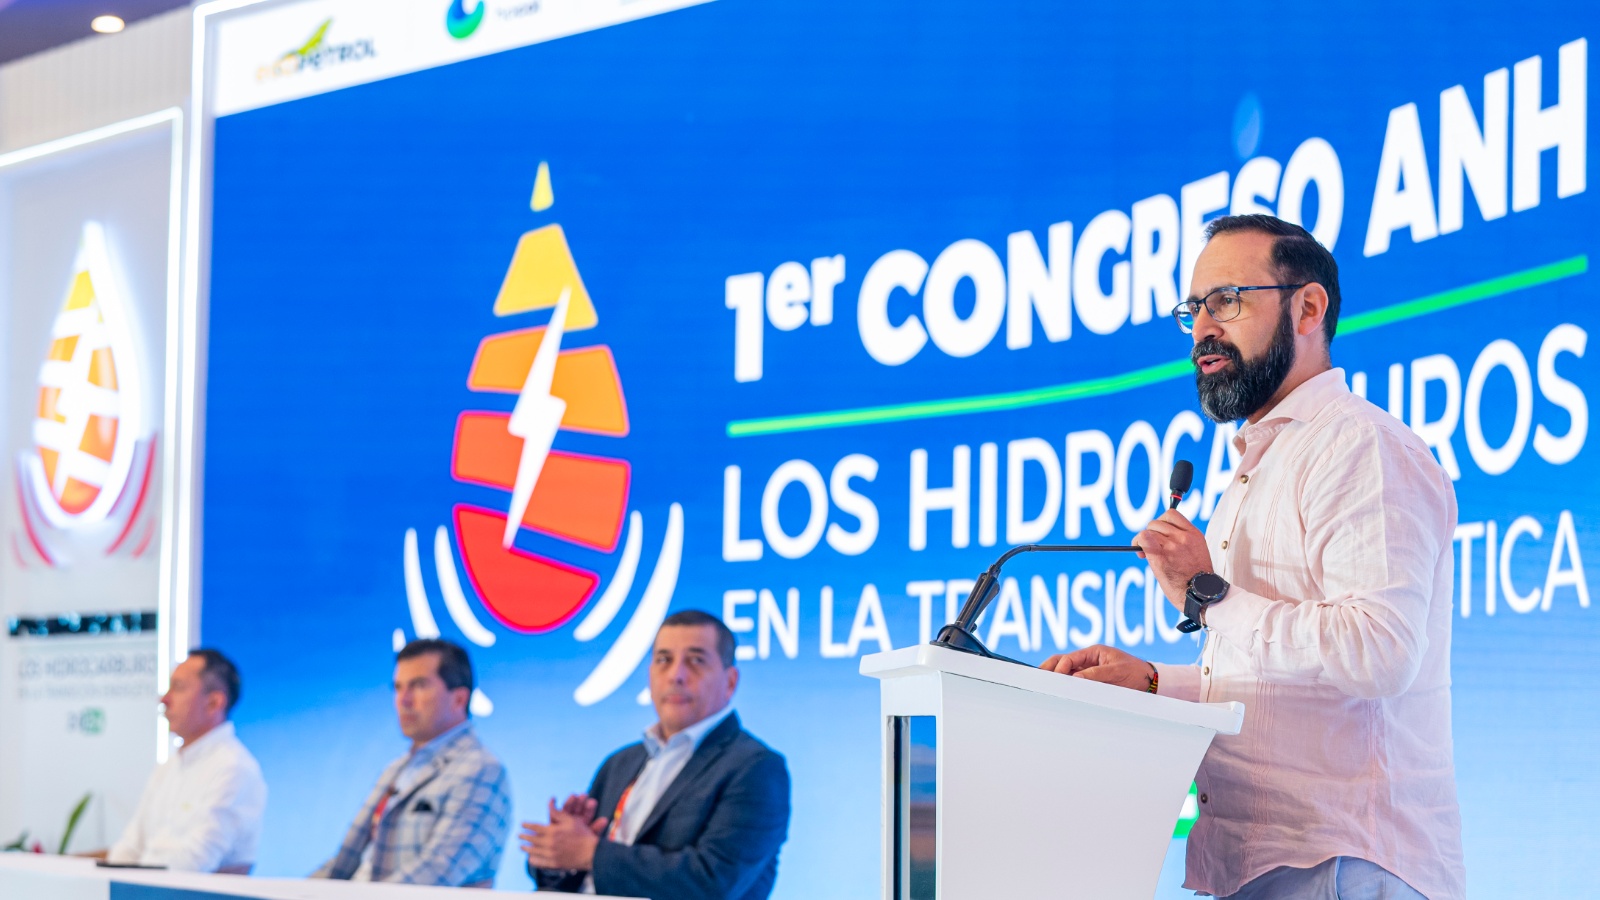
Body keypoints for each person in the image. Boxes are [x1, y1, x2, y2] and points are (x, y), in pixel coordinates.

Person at [1044, 215, 1464, 899]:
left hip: (1342, 864)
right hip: (1265, 868)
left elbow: (1379, 652)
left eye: (1227, 300)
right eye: (1194, 310)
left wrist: (1210, 594)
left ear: (1308, 307)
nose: (1204, 328)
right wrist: (1154, 683)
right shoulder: (1255, 471)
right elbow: (1277, 688)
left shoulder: (1360, 447)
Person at [521, 610, 790, 900]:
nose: (676, 675)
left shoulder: (755, 768)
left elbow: (712, 881)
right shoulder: (620, 763)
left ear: (730, 682)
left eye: (696, 661)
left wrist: (592, 854)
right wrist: (562, 851)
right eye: (664, 660)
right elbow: (575, 876)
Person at [313, 638, 511, 887]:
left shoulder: (482, 771)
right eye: (397, 687)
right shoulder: (396, 769)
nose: (403, 700)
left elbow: (435, 875)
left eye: (418, 686)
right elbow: (343, 864)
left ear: (459, 699)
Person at [105, 649, 267, 873]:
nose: (164, 699)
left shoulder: (234, 769)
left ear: (214, 703)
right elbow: (131, 846)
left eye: (178, 687)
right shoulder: (169, 767)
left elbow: (193, 864)